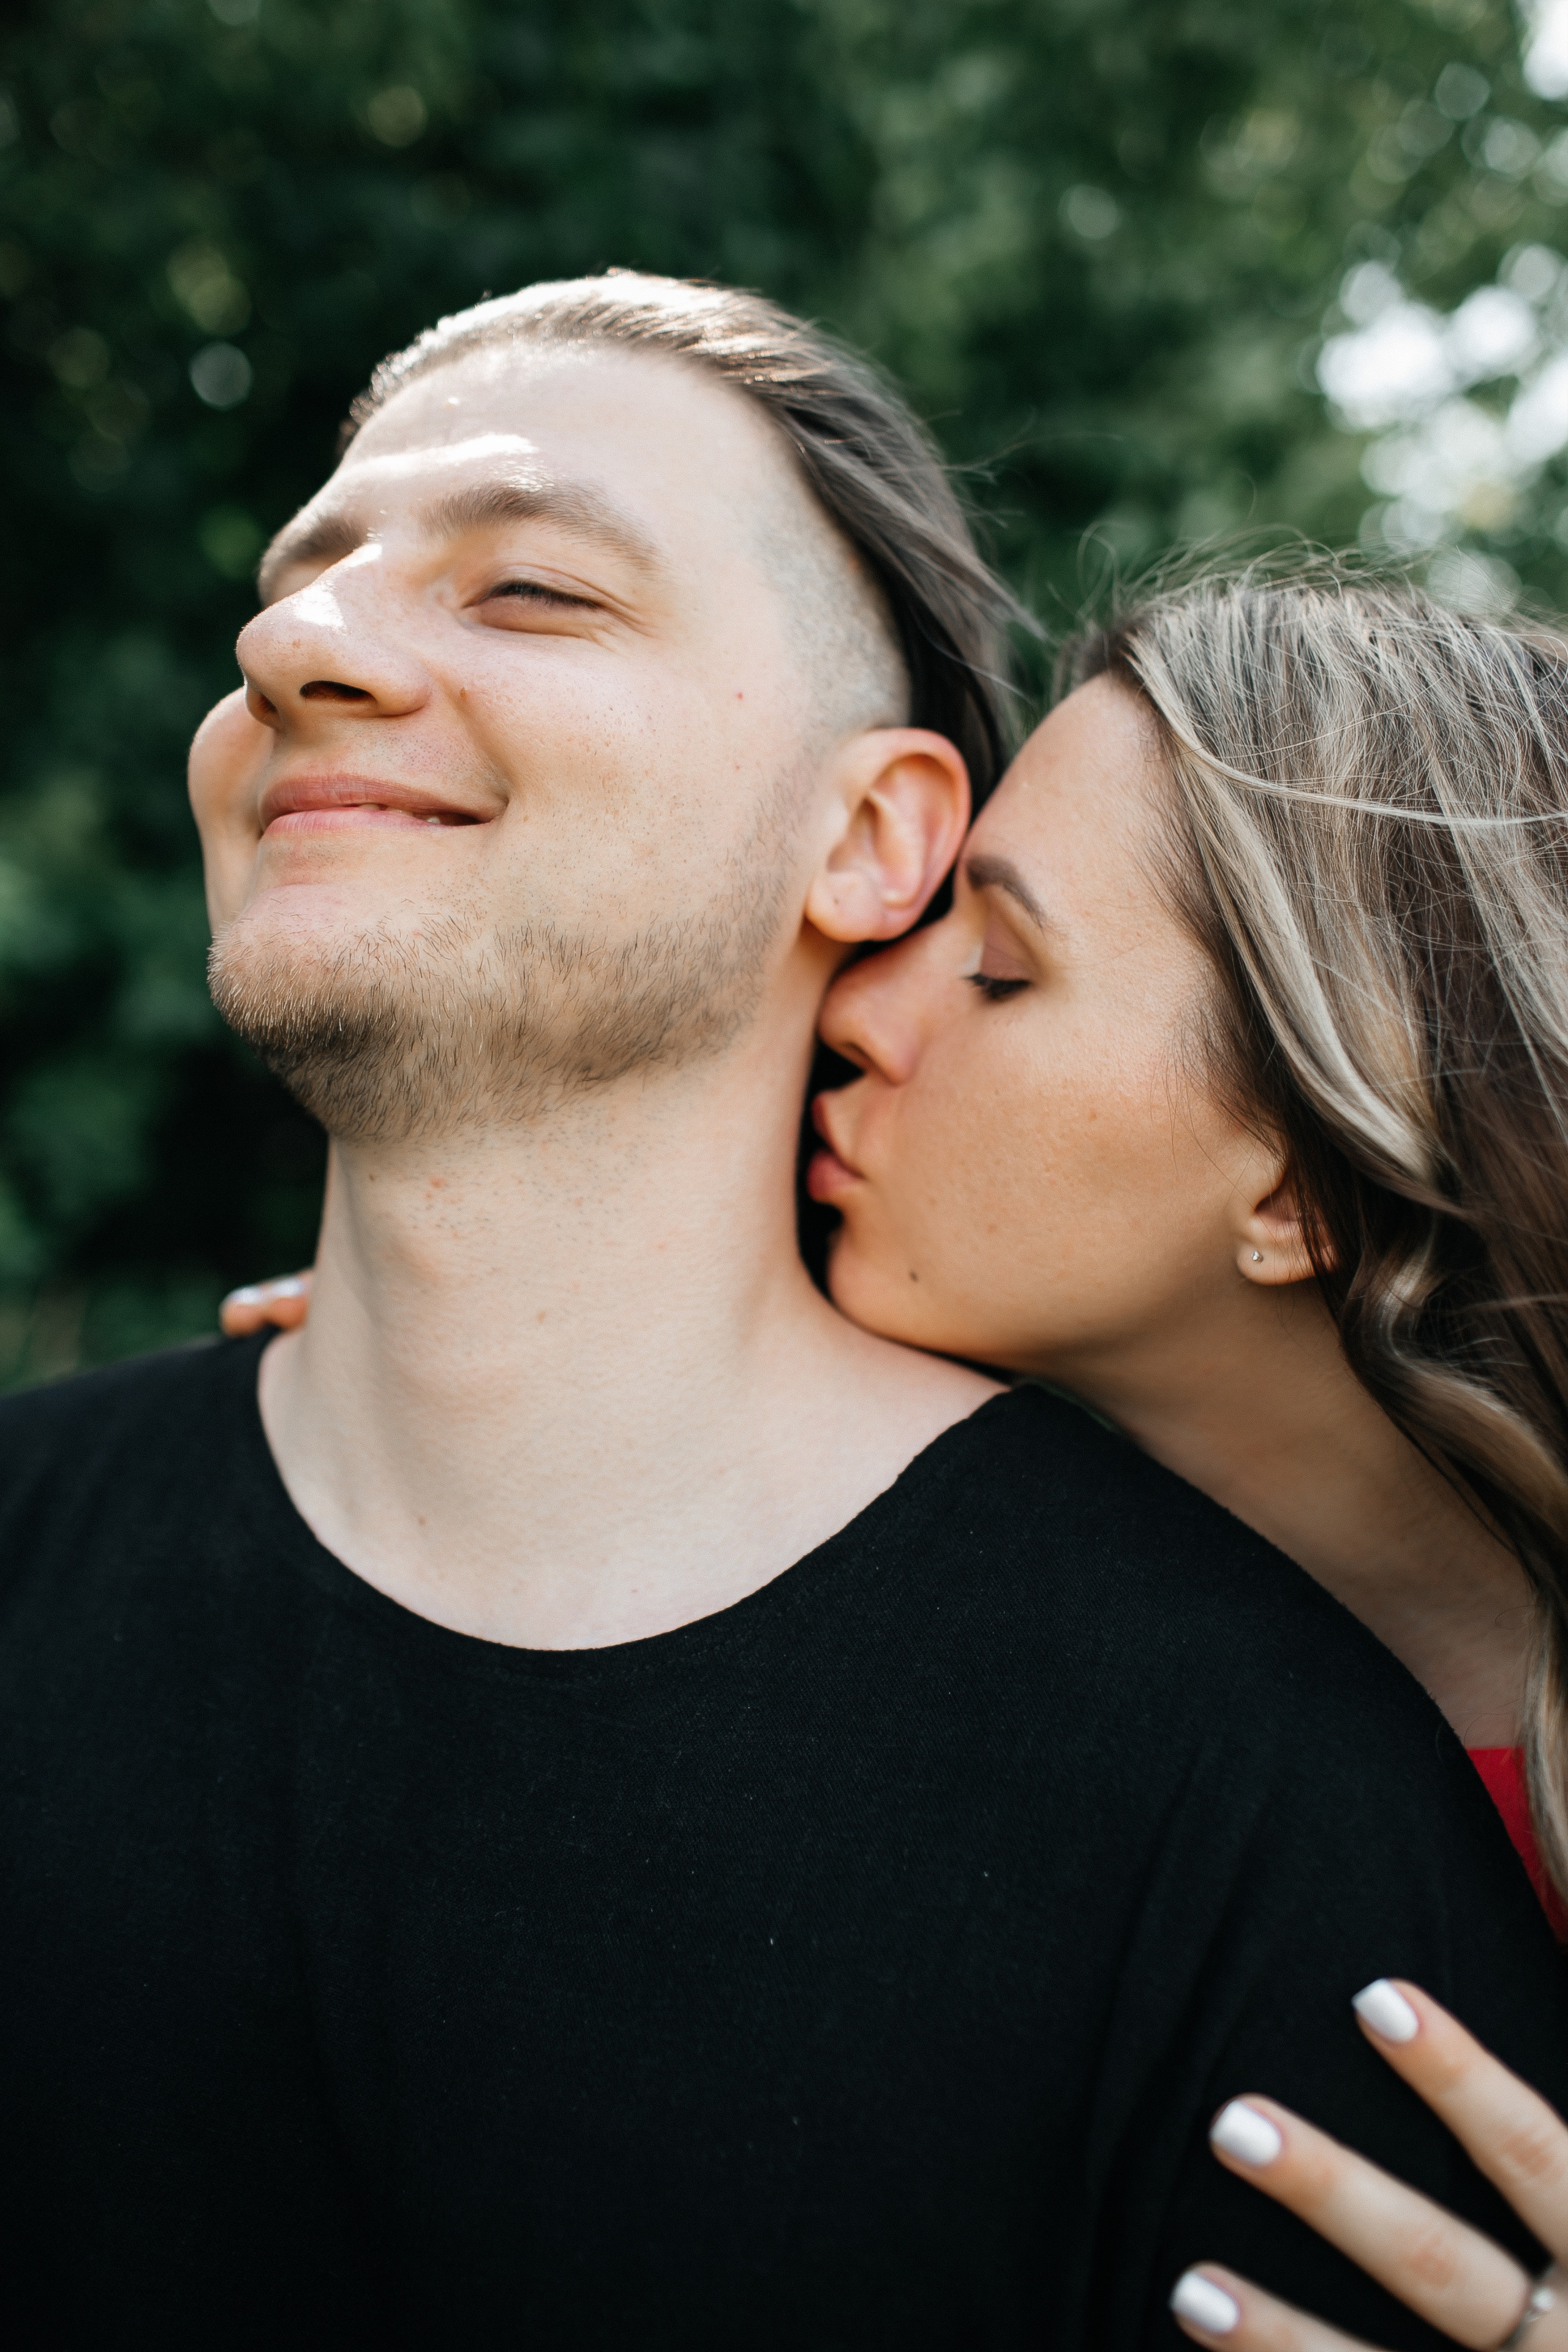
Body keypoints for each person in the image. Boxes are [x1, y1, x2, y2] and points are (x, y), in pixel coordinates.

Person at [3, 280, 1564, 2350]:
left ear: (866, 836)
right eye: (302, 577)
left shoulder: (1277, 1823)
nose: (291, 642)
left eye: (536, 589)